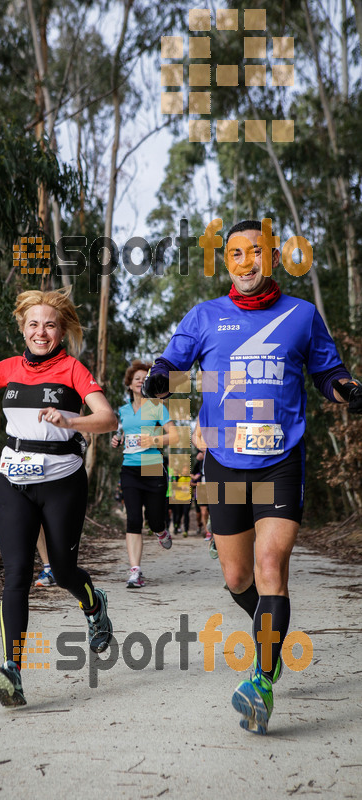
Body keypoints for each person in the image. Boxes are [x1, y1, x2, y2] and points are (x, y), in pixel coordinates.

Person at [143, 219, 362, 734]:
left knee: (270, 565)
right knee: (237, 577)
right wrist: (159, 377)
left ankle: (262, 680)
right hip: (222, 462)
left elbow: (328, 372)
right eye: (235, 254)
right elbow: (173, 360)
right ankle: (274, 638)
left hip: (281, 459)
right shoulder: (204, 315)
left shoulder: (302, 316)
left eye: (256, 253)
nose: (246, 263)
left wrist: (348, 390)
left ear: (273, 257)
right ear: (226, 262)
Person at [0, 288, 117, 708]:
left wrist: (72, 418)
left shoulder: (73, 369)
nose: (42, 332)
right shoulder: (9, 369)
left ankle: (94, 606)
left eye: (50, 325)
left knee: (61, 568)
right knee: (17, 572)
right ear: (23, 328)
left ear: (61, 331)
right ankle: (12, 671)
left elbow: (108, 418)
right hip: (13, 479)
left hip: (62, 480)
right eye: (34, 324)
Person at [111, 360, 176, 588]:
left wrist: (153, 440)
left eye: (144, 378)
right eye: (136, 378)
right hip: (130, 468)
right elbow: (121, 434)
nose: (140, 381)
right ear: (129, 384)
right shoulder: (123, 410)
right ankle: (135, 572)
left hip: (152, 466)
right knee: (134, 520)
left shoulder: (157, 407)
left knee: (154, 520)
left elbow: (176, 436)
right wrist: (116, 440)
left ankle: (160, 530)